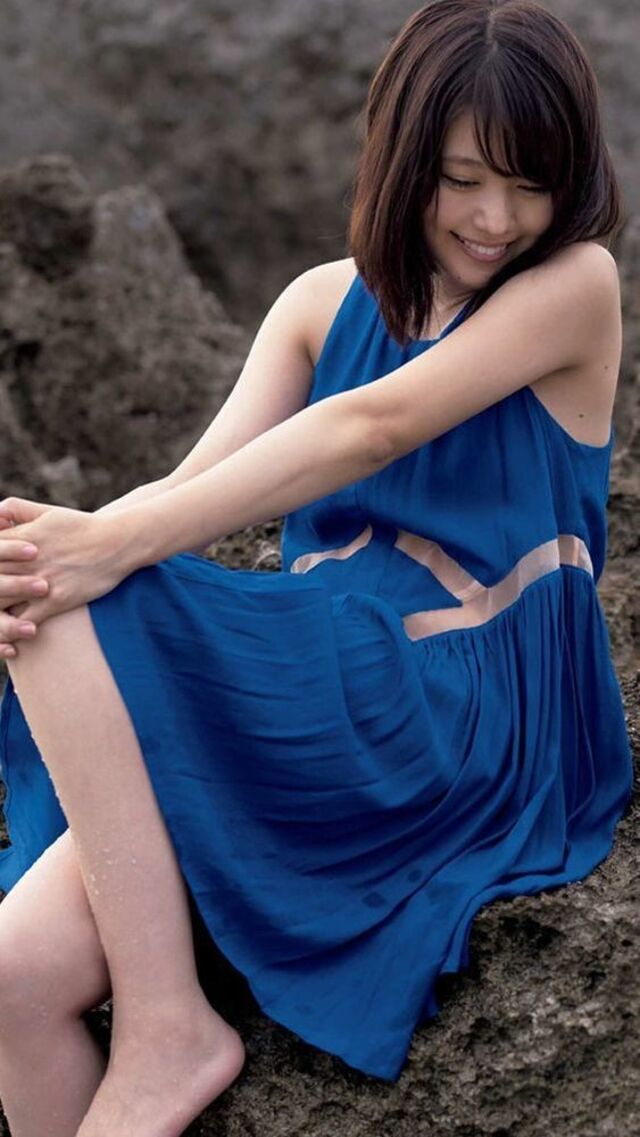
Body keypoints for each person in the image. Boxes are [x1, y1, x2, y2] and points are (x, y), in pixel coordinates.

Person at [0, 0, 633, 1133]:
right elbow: (182, 495)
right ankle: (157, 1025)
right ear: (403, 161)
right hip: (317, 692)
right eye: (462, 179)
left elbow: (371, 428)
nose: (496, 218)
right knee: (12, 978)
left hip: (467, 708)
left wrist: (94, 553)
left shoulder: (574, 286)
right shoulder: (318, 305)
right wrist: (52, 553)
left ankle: (165, 1026)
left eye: (530, 185)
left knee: (85, 586)